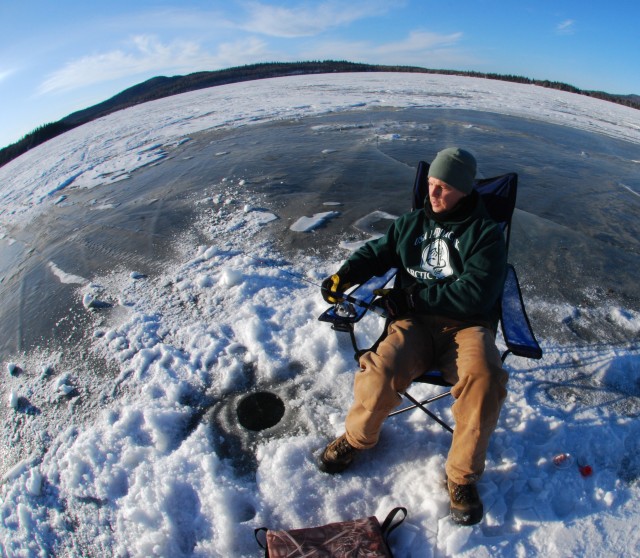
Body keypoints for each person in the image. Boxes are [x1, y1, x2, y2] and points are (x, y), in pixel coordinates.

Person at [319, 147, 508, 526]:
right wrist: (345, 273)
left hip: (467, 327)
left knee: (485, 381)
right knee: (379, 372)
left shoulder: (485, 233)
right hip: (415, 325)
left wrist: (411, 297)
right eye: (431, 185)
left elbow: (477, 292)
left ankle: (461, 478)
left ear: (466, 191)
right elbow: (379, 251)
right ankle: (356, 439)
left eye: (444, 188)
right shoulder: (411, 224)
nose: (433, 195)